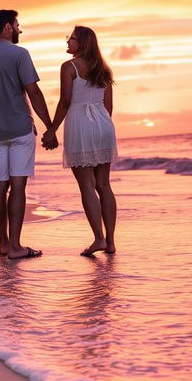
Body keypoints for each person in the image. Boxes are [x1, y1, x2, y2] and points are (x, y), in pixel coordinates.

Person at [0, 9, 57, 260]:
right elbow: (33, 91)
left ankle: (4, 244)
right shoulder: (20, 54)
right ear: (7, 27)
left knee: (0, 185)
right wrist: (50, 127)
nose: (20, 30)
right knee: (18, 184)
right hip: (20, 129)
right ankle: (17, 247)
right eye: (18, 25)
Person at [42, 25, 117, 256]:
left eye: (71, 39)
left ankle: (98, 239)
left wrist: (51, 130)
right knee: (104, 185)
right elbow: (109, 106)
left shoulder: (70, 67)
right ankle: (111, 242)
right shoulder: (103, 69)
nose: (68, 43)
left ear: (82, 43)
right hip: (104, 125)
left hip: (80, 125)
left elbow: (65, 101)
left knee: (86, 185)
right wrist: (100, 127)